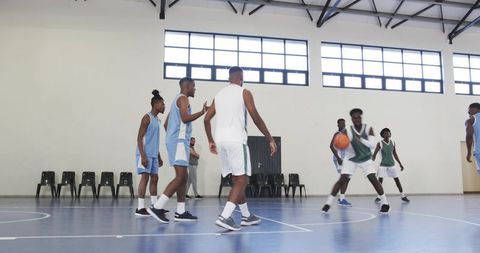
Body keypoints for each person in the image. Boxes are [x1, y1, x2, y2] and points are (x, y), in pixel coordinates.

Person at [204, 66, 277, 231]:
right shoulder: (244, 92)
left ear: (229, 78)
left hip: (221, 141)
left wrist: (210, 140)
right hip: (236, 140)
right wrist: (270, 138)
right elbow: (256, 117)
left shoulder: (219, 95)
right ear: (241, 77)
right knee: (243, 179)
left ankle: (246, 216)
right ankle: (225, 216)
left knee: (236, 179)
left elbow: (206, 119)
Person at [148, 77, 208, 223]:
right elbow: (185, 118)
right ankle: (157, 207)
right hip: (179, 142)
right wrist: (202, 112)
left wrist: (172, 137)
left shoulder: (177, 99)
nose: (195, 89)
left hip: (177, 141)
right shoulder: (183, 99)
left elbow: (166, 124)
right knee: (180, 177)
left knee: (184, 177)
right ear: (187, 86)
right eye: (193, 86)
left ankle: (180, 211)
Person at [322, 108, 390, 214]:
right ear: (352, 119)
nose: (357, 119)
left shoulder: (368, 129)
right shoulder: (347, 130)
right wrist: (340, 144)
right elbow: (339, 144)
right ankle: (328, 203)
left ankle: (385, 203)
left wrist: (359, 138)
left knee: (373, 178)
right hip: (352, 158)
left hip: (365, 157)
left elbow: (372, 145)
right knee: (342, 179)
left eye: (358, 117)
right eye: (354, 118)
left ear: (361, 118)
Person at [135, 90, 165, 216]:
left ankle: (155, 206)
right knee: (145, 178)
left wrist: (159, 156)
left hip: (154, 154)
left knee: (155, 178)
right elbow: (139, 138)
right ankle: (140, 208)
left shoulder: (157, 120)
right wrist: (142, 155)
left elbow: (155, 139)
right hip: (145, 154)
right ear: (156, 103)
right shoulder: (147, 118)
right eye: (162, 104)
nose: (164, 106)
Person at [372, 128, 410, 203]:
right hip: (382, 165)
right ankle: (378, 197)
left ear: (390, 134)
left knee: (397, 180)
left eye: (388, 133)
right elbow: (374, 154)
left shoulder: (392, 142)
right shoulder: (379, 143)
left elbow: (395, 154)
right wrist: (370, 164)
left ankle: (403, 196)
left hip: (391, 164)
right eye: (385, 133)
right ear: (382, 135)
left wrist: (400, 164)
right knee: (380, 181)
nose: (387, 134)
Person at [330, 118, 352, 207]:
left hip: (346, 159)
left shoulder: (347, 134)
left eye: (344, 123)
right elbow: (331, 146)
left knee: (347, 178)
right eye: (341, 123)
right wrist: (338, 158)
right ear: (337, 124)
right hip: (339, 159)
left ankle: (341, 198)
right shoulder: (337, 134)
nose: (343, 125)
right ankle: (341, 199)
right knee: (345, 178)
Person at [465, 102, 480, 175]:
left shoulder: (471, 119)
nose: (469, 113)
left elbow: (469, 136)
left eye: (469, 111)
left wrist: (468, 152)